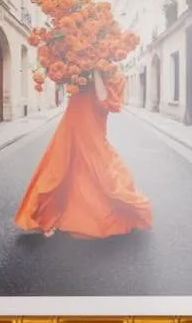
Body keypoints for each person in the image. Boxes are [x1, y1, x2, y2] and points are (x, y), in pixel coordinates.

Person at [13, 68, 152, 239]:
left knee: (97, 167)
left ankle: (86, 214)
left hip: (92, 126)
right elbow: (62, 81)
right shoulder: (79, 70)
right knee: (58, 167)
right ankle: (44, 216)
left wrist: (95, 69)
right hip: (72, 121)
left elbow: (103, 98)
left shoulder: (114, 74)